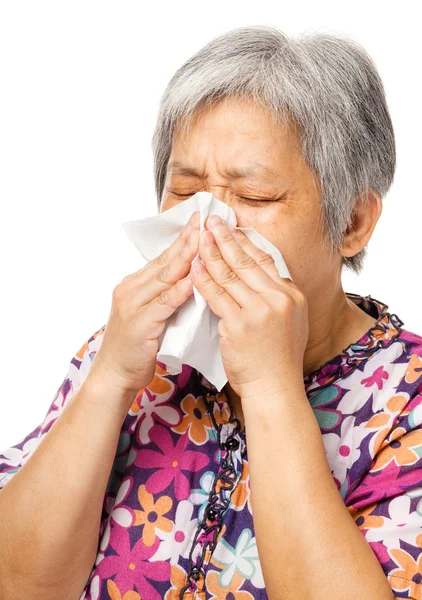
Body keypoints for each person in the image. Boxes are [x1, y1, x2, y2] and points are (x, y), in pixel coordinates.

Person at [0, 24, 420, 600]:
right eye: (187, 190)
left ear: (351, 223)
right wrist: (111, 380)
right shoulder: (128, 354)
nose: (210, 225)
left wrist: (272, 387)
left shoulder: (409, 403)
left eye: (254, 197)